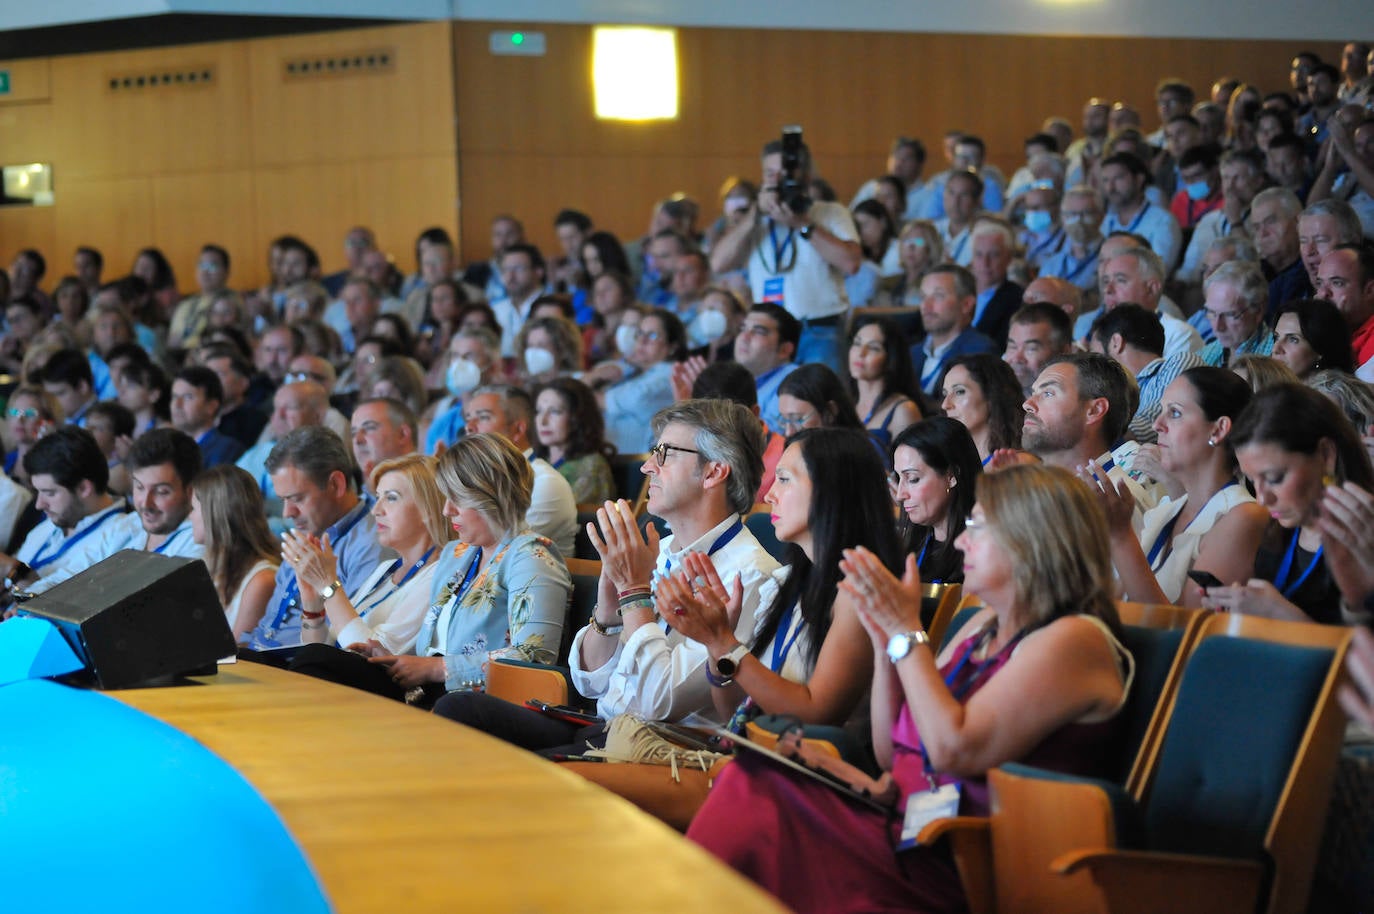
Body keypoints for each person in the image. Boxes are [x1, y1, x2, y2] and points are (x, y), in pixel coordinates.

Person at [688, 464, 1132, 914]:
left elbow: (953, 749)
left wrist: (905, 631)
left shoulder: (1076, 639)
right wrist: (885, 644)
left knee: (752, 796)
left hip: (976, 867)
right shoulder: (981, 626)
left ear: (1034, 541)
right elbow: (890, 754)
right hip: (911, 832)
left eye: (977, 526)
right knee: (752, 778)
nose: (960, 540)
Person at [655, 427, 899, 733]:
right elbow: (734, 712)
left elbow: (815, 714)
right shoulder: (785, 582)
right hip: (756, 755)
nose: (769, 494)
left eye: (783, 479)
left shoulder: (861, 592)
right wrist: (716, 647)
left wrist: (724, 642)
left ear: (831, 489)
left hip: (808, 771)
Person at [351, 434, 571, 701]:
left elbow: (533, 659)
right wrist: (390, 659)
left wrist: (436, 669)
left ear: (490, 495)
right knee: (326, 659)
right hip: (434, 695)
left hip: (486, 703)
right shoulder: (456, 554)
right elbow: (434, 652)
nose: (447, 510)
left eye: (456, 498)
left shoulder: (531, 554)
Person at [1081, 367, 1269, 606]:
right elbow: (1119, 599)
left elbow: (1182, 629)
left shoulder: (1243, 515)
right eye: (1161, 411)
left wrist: (1120, 535)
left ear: (1219, 429)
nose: (1157, 424)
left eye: (1175, 413)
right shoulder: (1169, 509)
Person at [1207, 383, 1374, 624]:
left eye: (1274, 478)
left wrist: (1284, 618)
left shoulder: (1366, 537)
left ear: (1326, 456)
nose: (1263, 498)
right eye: (1253, 481)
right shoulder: (1276, 532)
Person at [710, 134, 863, 373]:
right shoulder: (753, 222)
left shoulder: (830, 212)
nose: (779, 180)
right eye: (771, 174)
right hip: (768, 333)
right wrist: (754, 214)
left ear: (806, 175)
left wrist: (802, 224)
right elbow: (718, 263)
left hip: (819, 330)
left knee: (823, 403)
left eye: (787, 173)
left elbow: (851, 263)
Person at [284, 455, 450, 660]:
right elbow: (320, 649)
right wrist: (312, 605)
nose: (376, 510)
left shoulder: (440, 574)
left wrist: (329, 585)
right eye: (377, 497)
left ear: (429, 509)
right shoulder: (387, 568)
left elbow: (371, 659)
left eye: (391, 498)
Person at [244, 426, 387, 651]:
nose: (287, 513)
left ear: (336, 484)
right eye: (283, 500)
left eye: (297, 499)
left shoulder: (374, 543)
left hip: (298, 671)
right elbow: (267, 624)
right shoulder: (309, 529)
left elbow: (351, 644)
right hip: (258, 657)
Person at [0, 427, 124, 598]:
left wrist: (14, 570)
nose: (39, 504)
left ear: (83, 488)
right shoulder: (50, 524)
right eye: (39, 492)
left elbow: (65, 606)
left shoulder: (119, 538)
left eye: (49, 493)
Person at [463, 385, 578, 557]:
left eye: (483, 417)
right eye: (468, 418)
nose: (469, 427)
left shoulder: (545, 483)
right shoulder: (475, 478)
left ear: (518, 430)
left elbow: (500, 550)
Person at [189, 465, 279, 642]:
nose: (189, 516)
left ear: (214, 514)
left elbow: (237, 657)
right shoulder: (203, 564)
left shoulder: (262, 580)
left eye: (193, 508)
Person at [891, 417, 981, 584]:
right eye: (898, 478)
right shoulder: (908, 548)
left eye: (912, 479)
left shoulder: (983, 550)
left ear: (951, 476)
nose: (900, 495)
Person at [600, 308, 686, 454]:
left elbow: (637, 398)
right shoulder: (635, 372)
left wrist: (591, 378)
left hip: (637, 466)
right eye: (639, 333)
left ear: (672, 347)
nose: (642, 340)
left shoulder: (669, 374)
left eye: (652, 335)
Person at [532, 378, 615, 505]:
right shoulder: (532, 461)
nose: (543, 421)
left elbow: (557, 515)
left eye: (555, 411)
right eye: (539, 411)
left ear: (577, 417)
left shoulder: (591, 465)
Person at [846, 317, 923, 453]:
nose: (860, 353)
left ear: (891, 358)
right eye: (857, 343)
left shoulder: (903, 410)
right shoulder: (845, 403)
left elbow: (912, 469)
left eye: (873, 348)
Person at [939, 354, 1024, 466]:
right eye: (945, 394)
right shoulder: (948, 459)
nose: (945, 405)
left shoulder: (1015, 463)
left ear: (992, 396)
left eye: (959, 392)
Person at [170, 366, 245, 469]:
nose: (177, 405)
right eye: (174, 397)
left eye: (188, 397)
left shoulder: (227, 450)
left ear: (211, 406)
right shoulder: (168, 448)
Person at [1271, 298, 1354, 378]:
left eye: (1293, 339)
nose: (1275, 349)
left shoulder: (1331, 391)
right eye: (1276, 337)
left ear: (1320, 349)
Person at [777, 364, 865, 435]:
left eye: (797, 419)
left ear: (830, 411)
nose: (788, 433)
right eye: (784, 420)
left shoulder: (860, 453)